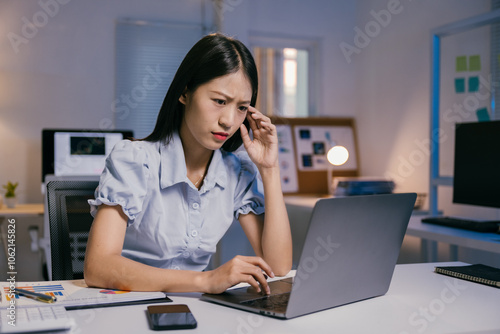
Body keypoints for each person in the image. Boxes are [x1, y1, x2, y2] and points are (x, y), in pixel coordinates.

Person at [84, 33, 292, 295]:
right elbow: (97, 268)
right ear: (185, 93)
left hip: (195, 309)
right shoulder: (135, 160)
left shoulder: (237, 171)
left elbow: (279, 266)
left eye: (242, 108)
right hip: (126, 303)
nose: (228, 120)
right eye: (219, 101)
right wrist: (205, 281)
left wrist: (269, 170)